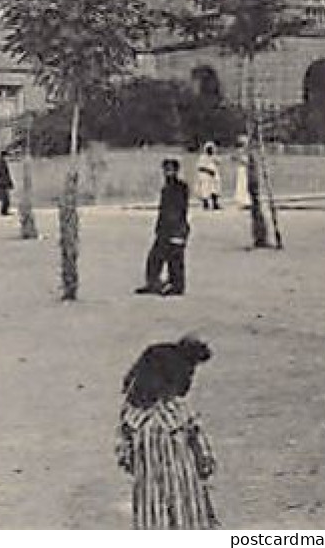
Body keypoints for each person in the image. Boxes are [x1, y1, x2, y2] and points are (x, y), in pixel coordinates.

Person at [117, 335, 218, 529]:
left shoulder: (132, 416)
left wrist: (142, 469)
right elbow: (202, 452)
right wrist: (204, 468)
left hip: (149, 492)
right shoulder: (181, 412)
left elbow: (124, 456)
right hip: (185, 488)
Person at [137, 159, 191, 296]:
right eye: (166, 170)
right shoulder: (166, 189)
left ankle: (177, 285)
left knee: (175, 259)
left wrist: (175, 229)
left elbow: (178, 210)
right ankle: (154, 283)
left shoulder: (180, 188)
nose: (167, 173)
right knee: (155, 258)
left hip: (175, 228)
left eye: (170, 170)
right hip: (165, 228)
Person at [194, 142, 221, 211]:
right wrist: (208, 171)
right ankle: (205, 204)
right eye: (209, 149)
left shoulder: (214, 157)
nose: (210, 150)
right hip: (205, 176)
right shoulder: (202, 157)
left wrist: (214, 158)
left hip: (214, 175)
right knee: (205, 189)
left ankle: (215, 204)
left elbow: (218, 163)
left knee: (215, 189)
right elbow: (200, 167)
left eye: (212, 149)